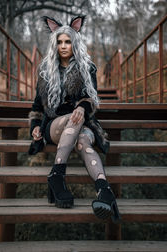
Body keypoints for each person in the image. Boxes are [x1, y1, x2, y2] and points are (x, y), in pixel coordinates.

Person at [28, 16, 121, 224]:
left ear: (75, 42)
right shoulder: (45, 72)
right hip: (54, 126)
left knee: (84, 141)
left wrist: (82, 106)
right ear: (55, 43)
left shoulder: (87, 69)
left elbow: (92, 99)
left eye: (67, 41)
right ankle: (58, 175)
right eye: (59, 42)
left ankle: (104, 190)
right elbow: (36, 108)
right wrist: (35, 127)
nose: (63, 46)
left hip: (82, 124)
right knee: (73, 118)